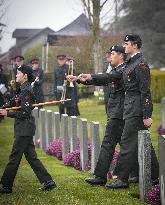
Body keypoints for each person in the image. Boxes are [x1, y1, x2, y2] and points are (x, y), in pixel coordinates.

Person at [105, 34, 159, 189]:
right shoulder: (131, 62)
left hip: (136, 109)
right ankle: (155, 175)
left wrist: (147, 115)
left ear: (135, 45)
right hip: (129, 107)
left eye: (127, 43)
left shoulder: (140, 64)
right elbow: (116, 76)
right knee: (145, 143)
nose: (125, 46)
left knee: (127, 143)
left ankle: (122, 179)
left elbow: (145, 91)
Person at [67, 45, 126, 185]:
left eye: (113, 53)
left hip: (119, 112)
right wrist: (80, 79)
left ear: (121, 56)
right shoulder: (118, 69)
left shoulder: (123, 69)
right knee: (128, 143)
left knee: (109, 143)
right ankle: (150, 174)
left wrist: (89, 77)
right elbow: (106, 78)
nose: (110, 56)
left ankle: (100, 176)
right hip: (117, 111)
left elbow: (107, 77)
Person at [0, 65, 56, 194]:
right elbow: (14, 101)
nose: (16, 75)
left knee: (14, 157)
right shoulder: (23, 89)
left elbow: (25, 112)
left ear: (25, 75)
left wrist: (7, 114)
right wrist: (3, 108)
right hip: (23, 127)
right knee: (31, 157)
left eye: (18, 73)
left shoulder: (27, 90)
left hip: (24, 128)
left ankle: (6, 185)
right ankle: (48, 182)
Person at [102, 51, 113, 115]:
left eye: (108, 57)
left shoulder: (115, 66)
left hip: (112, 87)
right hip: (106, 87)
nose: (107, 59)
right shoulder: (106, 66)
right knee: (106, 102)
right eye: (106, 57)